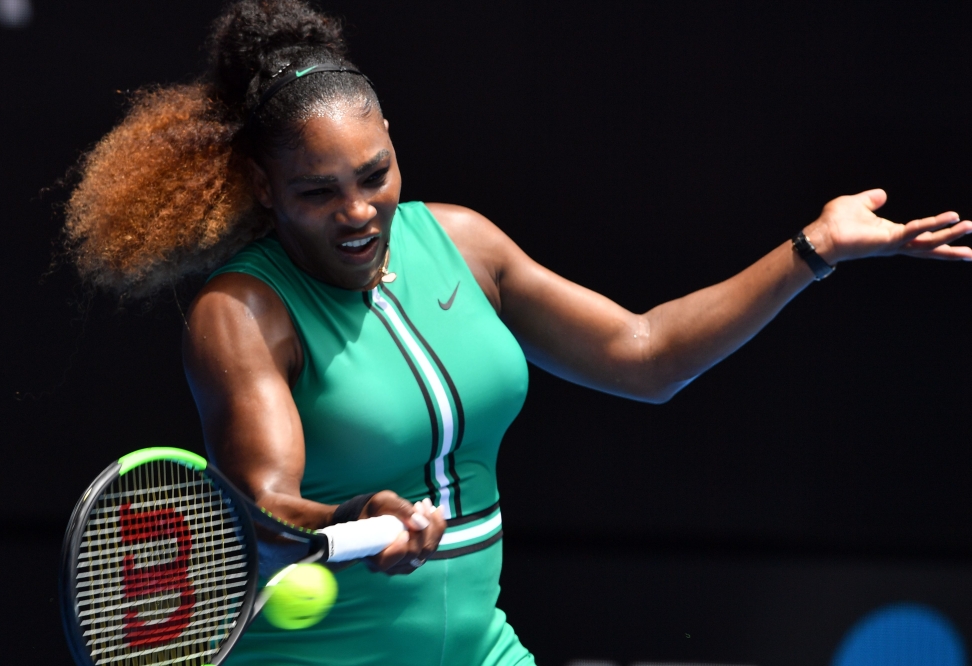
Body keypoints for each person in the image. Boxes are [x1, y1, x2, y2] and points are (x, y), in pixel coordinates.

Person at [61, 1, 972, 664]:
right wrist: (350, 516)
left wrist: (812, 250)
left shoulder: (462, 242)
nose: (355, 210)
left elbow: (644, 356)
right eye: (315, 191)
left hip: (485, 649)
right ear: (264, 188)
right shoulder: (243, 313)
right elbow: (261, 500)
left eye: (373, 174)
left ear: (392, 140)